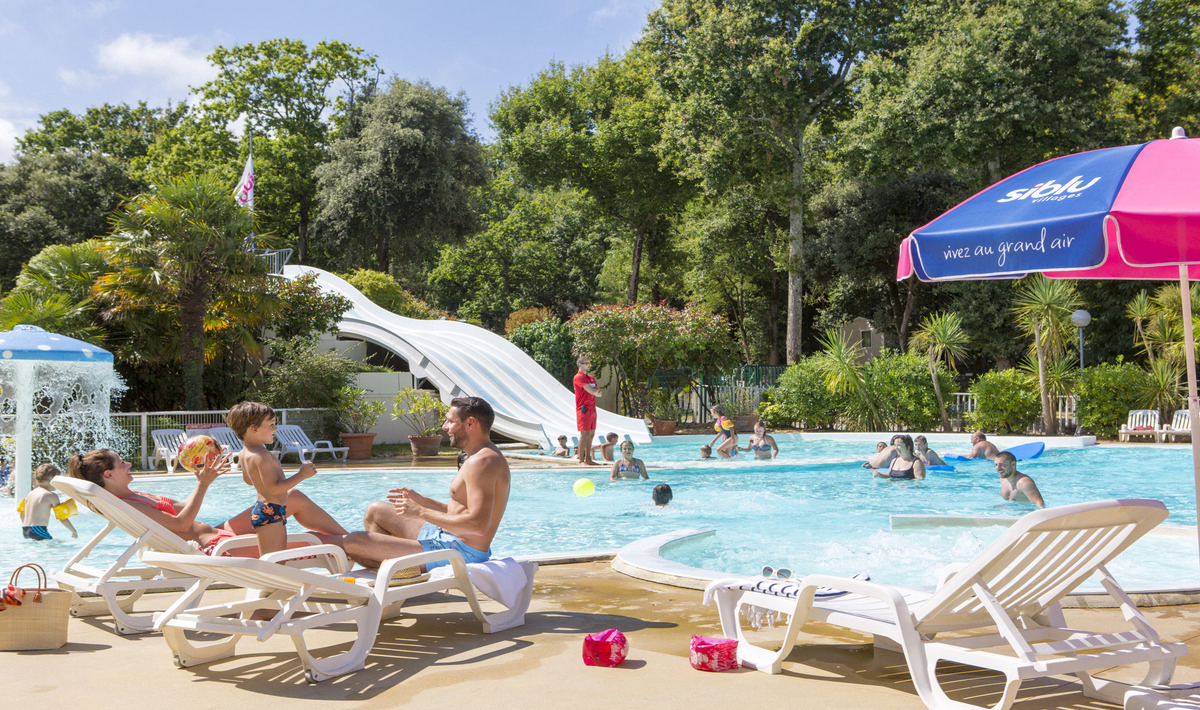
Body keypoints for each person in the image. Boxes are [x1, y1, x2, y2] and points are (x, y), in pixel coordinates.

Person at [335, 396, 510, 571]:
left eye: (450, 421)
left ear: (470, 423)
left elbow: (478, 525)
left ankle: (398, 576)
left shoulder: (483, 462)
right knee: (376, 511)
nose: (444, 427)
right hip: (445, 537)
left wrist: (420, 512)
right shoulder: (477, 457)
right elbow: (460, 512)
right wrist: (423, 501)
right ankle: (400, 575)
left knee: (353, 541)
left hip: (461, 552)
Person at [66, 448, 347, 554]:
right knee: (314, 540)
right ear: (108, 474)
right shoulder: (130, 505)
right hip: (217, 546)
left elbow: (184, 511)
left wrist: (202, 480)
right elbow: (182, 523)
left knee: (291, 496)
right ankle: (351, 546)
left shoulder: (135, 496)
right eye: (121, 463)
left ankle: (349, 539)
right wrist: (202, 485)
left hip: (219, 530)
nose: (128, 464)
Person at [229, 401, 319, 557]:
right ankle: (269, 582)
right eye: (271, 425)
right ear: (254, 428)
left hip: (266, 510)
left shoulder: (245, 452)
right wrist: (301, 475)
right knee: (274, 562)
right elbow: (273, 488)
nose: (275, 429)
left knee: (273, 559)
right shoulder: (262, 455)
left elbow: (249, 480)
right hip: (271, 512)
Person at [18, 464, 77, 540]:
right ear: (52, 478)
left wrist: (29, 527)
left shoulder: (30, 494)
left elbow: (22, 514)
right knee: (58, 548)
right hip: (39, 530)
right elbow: (62, 517)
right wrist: (73, 530)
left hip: (26, 530)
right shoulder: (51, 496)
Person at [573, 355, 603, 466]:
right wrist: (595, 391)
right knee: (584, 433)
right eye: (587, 363)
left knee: (591, 433)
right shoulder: (578, 377)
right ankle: (581, 460)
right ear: (580, 364)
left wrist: (595, 391)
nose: (589, 365)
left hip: (592, 408)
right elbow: (591, 390)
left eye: (590, 363)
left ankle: (588, 459)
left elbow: (599, 393)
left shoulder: (590, 377)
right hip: (583, 409)